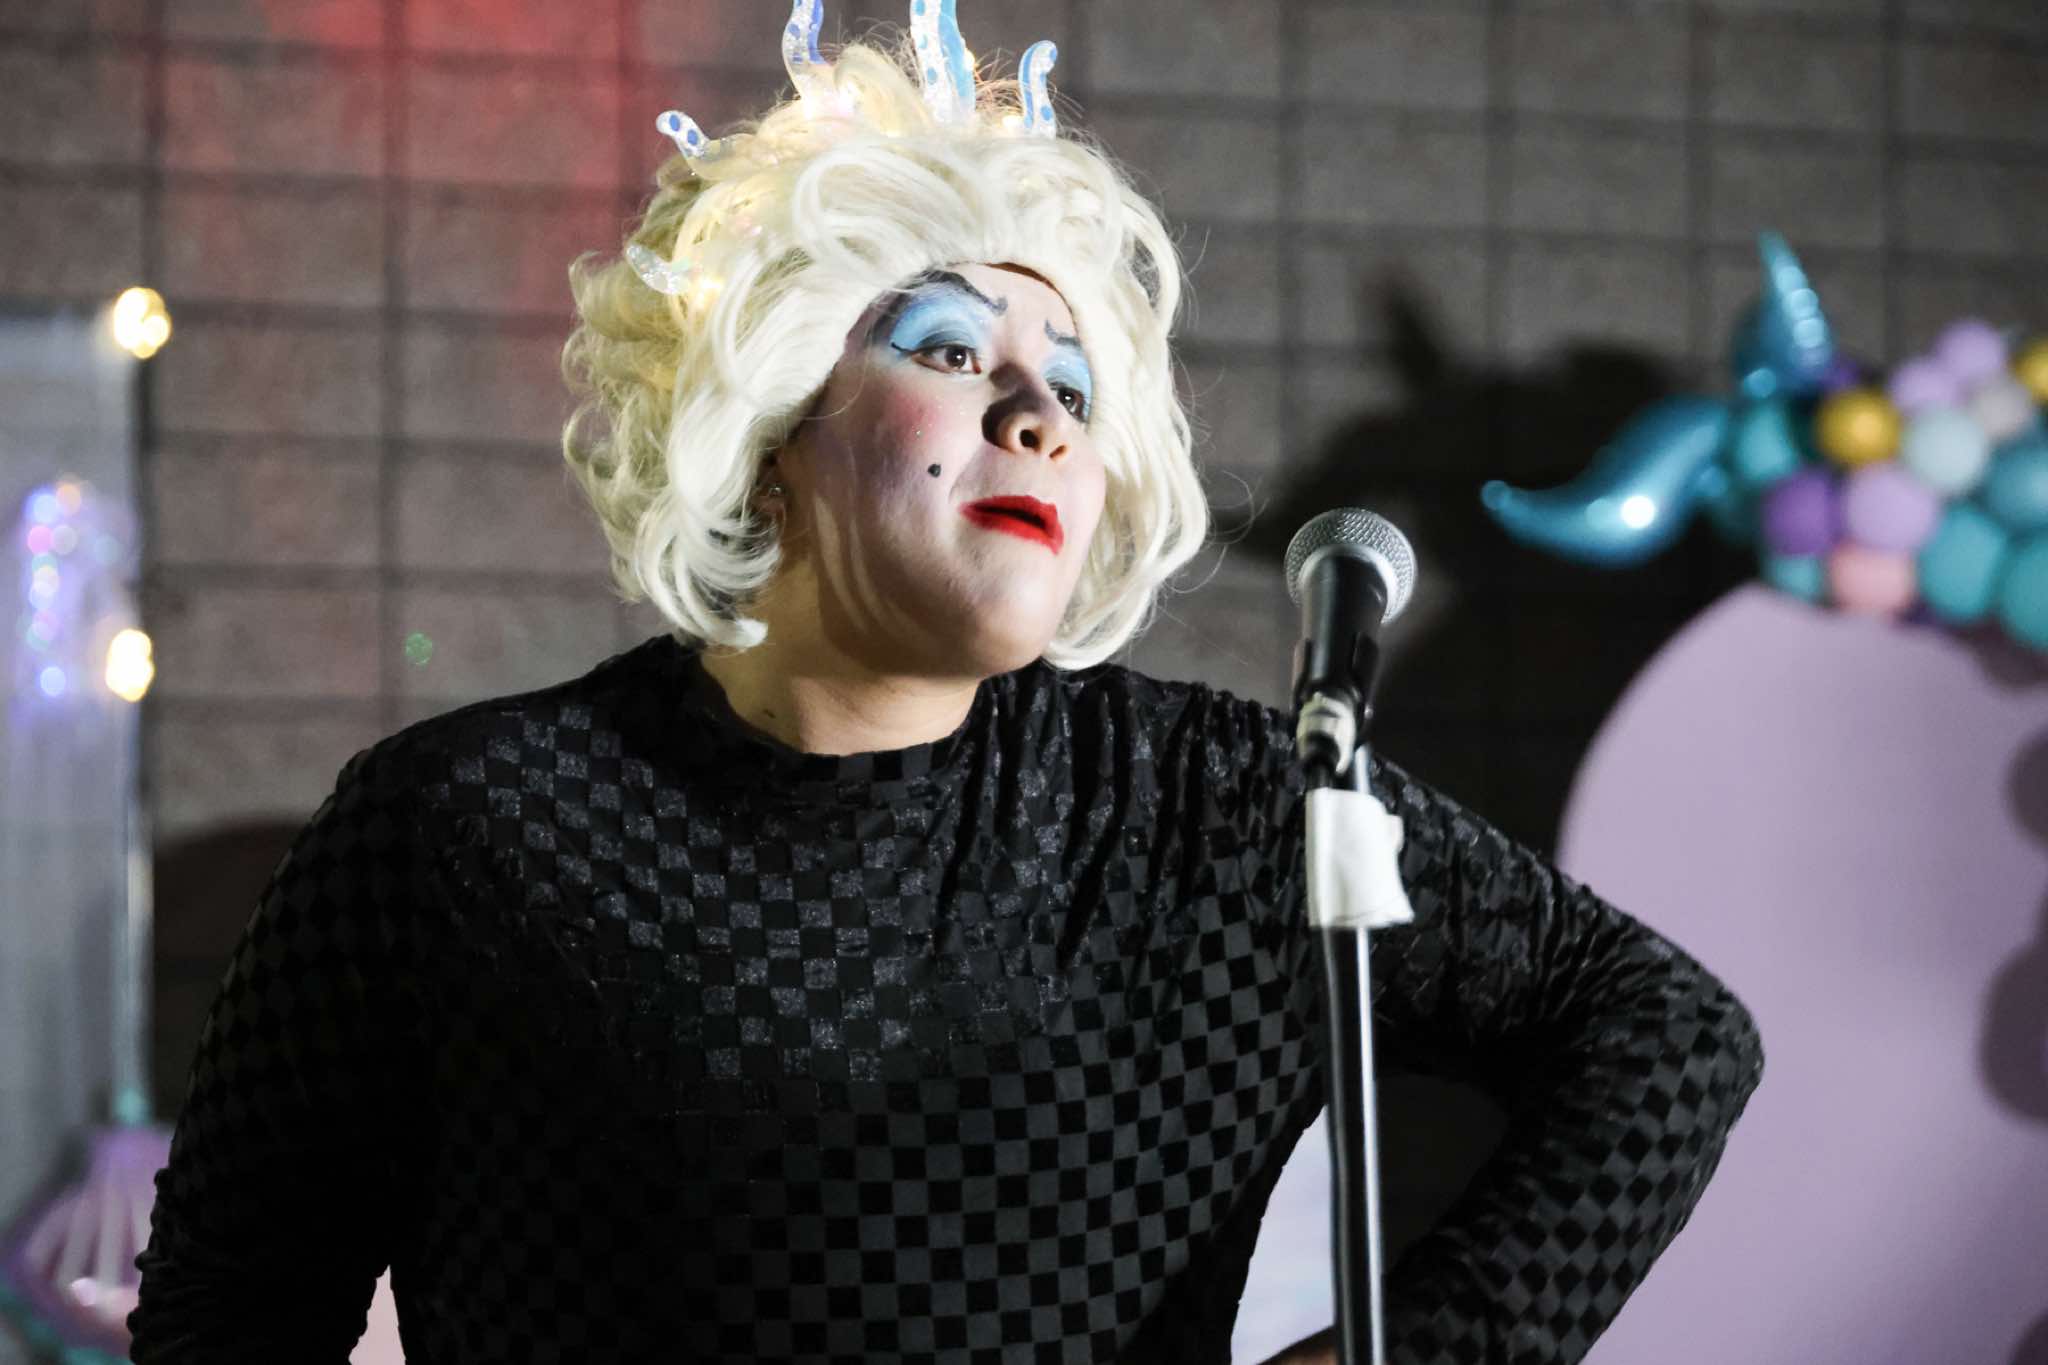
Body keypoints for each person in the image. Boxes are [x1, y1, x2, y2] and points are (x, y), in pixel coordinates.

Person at [127, 7, 1764, 1362]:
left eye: (1073, 388)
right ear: (771, 430)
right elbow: (227, 1308)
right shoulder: (467, 828)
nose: (1038, 414)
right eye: (949, 350)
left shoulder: (1219, 811)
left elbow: (1666, 1032)